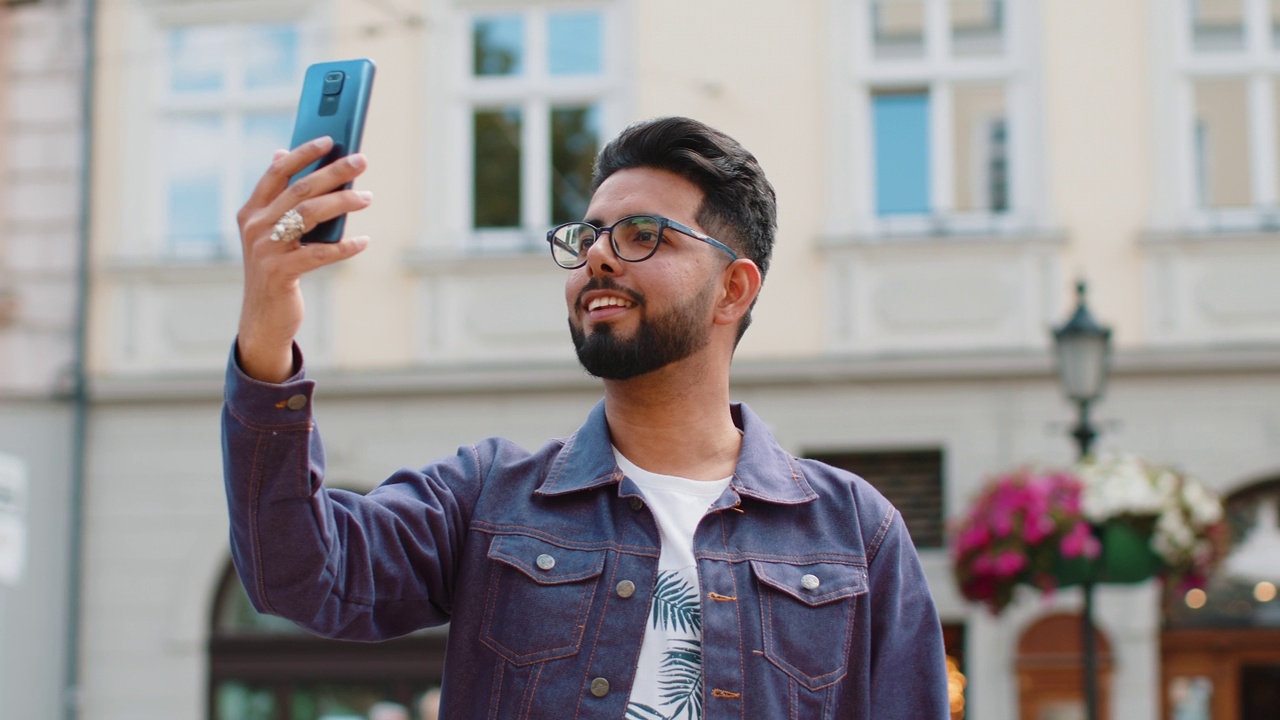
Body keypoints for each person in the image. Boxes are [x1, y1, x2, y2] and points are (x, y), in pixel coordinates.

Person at [223, 116, 950, 718]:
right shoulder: (490, 498)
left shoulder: (856, 534)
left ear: (733, 288)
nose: (599, 256)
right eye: (589, 235)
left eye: (642, 235)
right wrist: (265, 340)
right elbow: (300, 573)